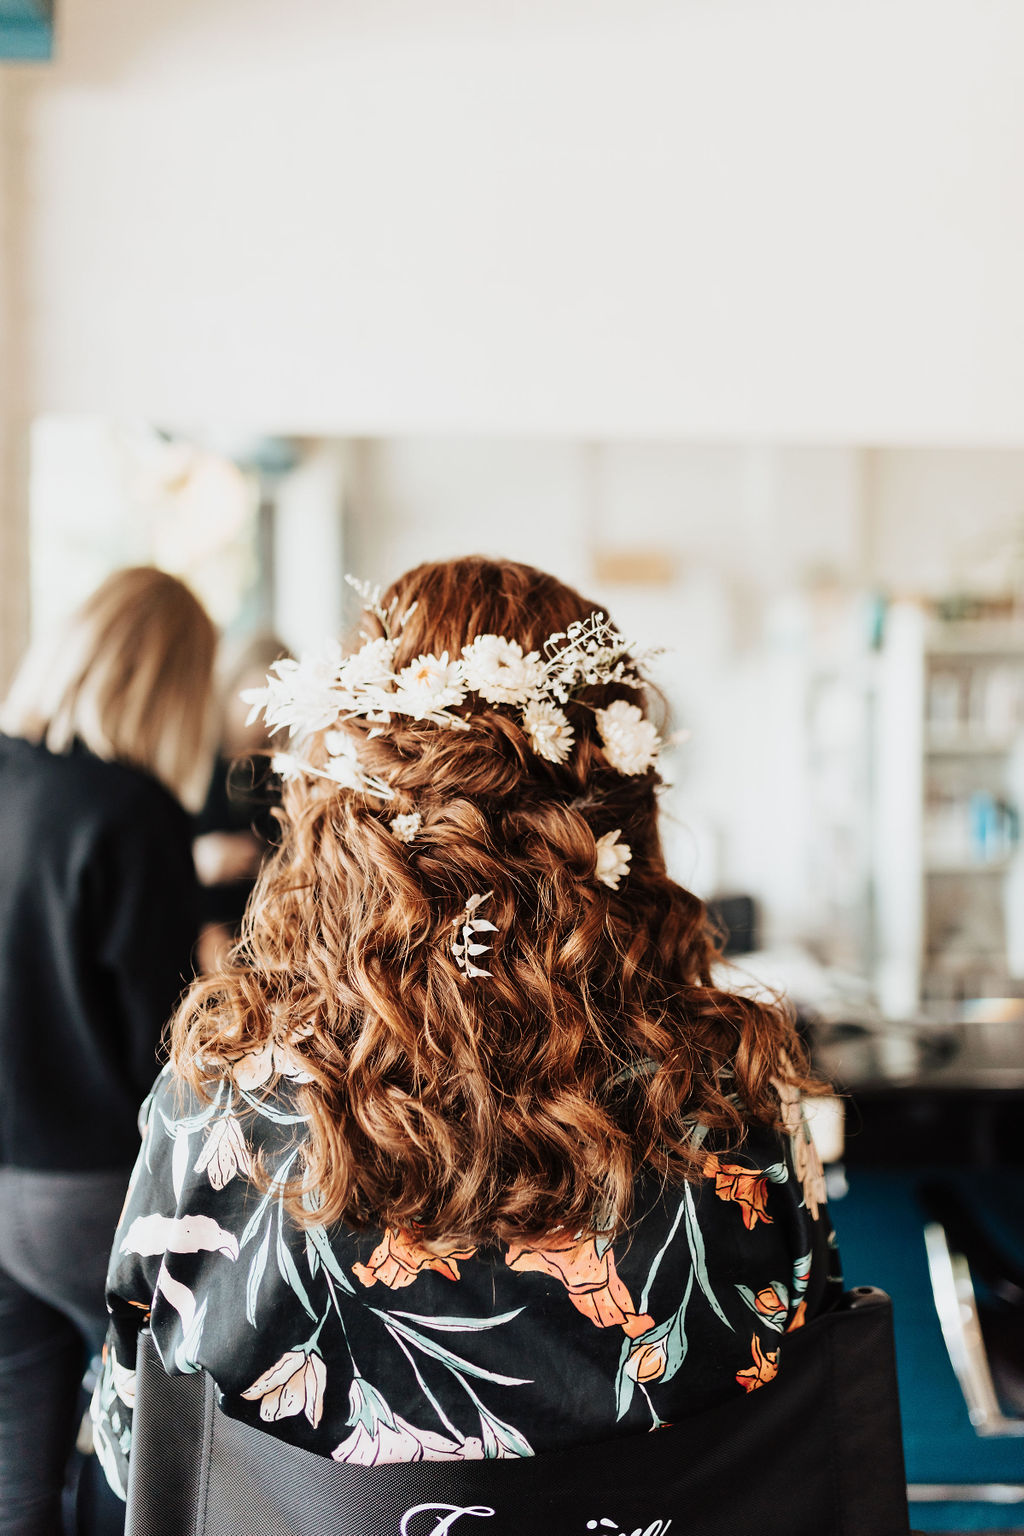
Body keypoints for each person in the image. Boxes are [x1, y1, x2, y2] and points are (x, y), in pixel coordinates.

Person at [92, 556, 840, 1505]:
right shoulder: (733, 1096)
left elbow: (137, 1448)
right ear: (613, 799)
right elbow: (794, 1418)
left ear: (350, 794)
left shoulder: (223, 1106)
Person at [0, 566, 217, 1535]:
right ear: (172, 683)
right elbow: (162, 1048)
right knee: (161, 1444)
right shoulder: (129, 813)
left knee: (14, 1465)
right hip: (86, 1187)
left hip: (4, 1174)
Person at [193, 633, 291, 975]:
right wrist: (199, 859)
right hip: (198, 920)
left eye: (274, 704)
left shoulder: (281, 771)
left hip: (262, 931)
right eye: (252, 699)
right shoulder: (195, 760)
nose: (260, 716)